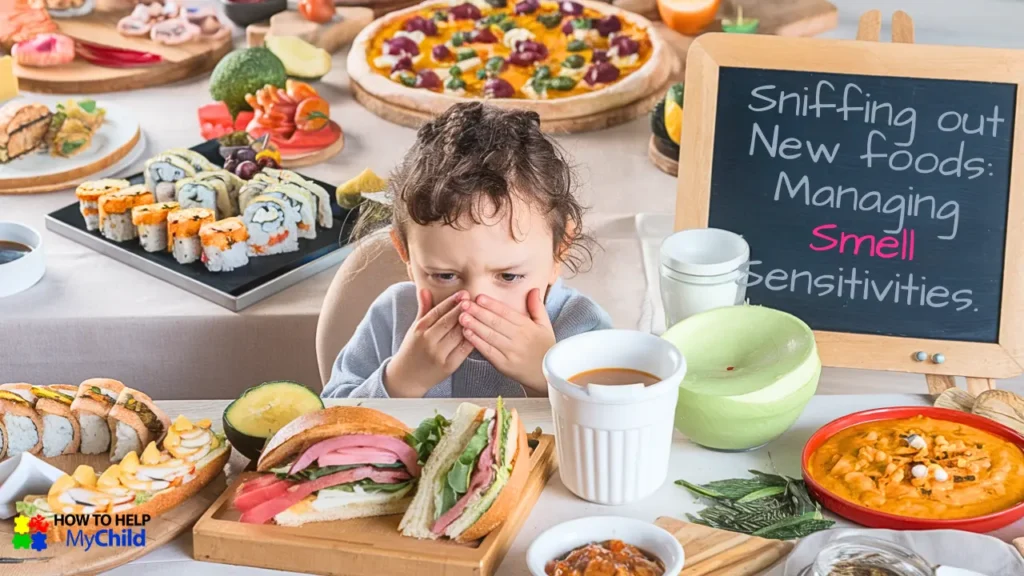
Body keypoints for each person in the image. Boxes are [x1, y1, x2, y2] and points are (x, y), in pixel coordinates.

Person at [322, 103, 612, 399]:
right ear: (406, 254)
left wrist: (548, 376)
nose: (474, 302)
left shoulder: (581, 327)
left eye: (509, 276)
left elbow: (617, 431)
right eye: (445, 275)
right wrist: (401, 381)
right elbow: (327, 423)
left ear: (559, 251)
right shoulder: (393, 316)